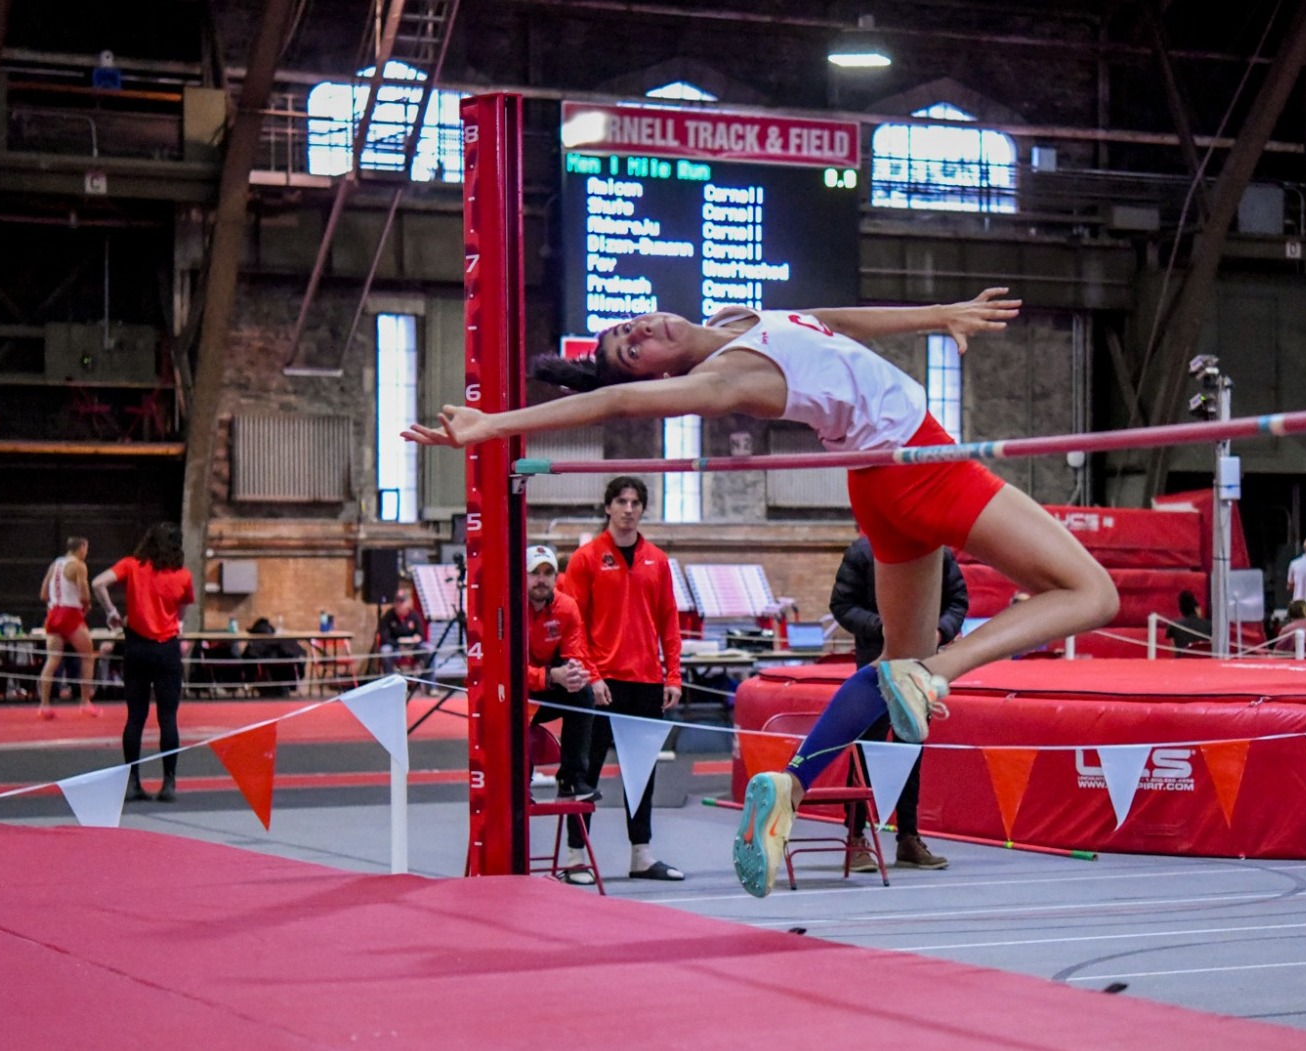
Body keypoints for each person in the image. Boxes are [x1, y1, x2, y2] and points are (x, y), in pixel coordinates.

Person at [403, 289, 1119, 899]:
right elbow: (615, 400)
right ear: (662, 372)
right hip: (922, 463)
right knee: (1093, 594)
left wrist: (939, 315)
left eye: (632, 325)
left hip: (878, 486)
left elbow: (834, 319)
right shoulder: (721, 379)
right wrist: (495, 426)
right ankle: (936, 673)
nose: (641, 333)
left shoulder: (738, 315)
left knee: (888, 667)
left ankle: (792, 787)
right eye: (632, 348)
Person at [556, 477, 687, 882]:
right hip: (601, 682)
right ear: (608, 508)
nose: (629, 509)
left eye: (635, 502)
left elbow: (669, 621)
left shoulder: (658, 561)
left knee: (642, 772)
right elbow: (572, 625)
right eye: (621, 501)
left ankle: (641, 854)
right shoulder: (586, 559)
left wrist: (673, 674)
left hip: (647, 682)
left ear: (642, 509)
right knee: (585, 771)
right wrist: (591, 676)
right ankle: (576, 856)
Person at [827, 533, 966, 871]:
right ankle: (855, 837)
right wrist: (883, 628)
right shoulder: (862, 552)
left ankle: (908, 837)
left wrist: (940, 631)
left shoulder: (938, 552)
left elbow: (957, 601)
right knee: (865, 751)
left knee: (910, 750)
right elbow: (842, 606)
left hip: (920, 670)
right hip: (874, 670)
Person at [91, 523, 195, 803]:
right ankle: (169, 782)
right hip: (167, 650)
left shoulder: (131, 565)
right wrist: (177, 623)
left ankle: (133, 782)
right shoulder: (182, 575)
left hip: (136, 647)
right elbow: (183, 609)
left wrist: (112, 612)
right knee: (168, 718)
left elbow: (98, 583)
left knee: (135, 717)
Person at [520, 545, 604, 815]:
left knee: (583, 693)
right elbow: (508, 669)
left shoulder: (566, 607)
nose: (541, 579)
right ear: (522, 576)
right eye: (535, 573)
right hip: (518, 690)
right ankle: (520, 783)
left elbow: (575, 653)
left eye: (548, 573)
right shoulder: (509, 609)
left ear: (556, 578)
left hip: (550, 685)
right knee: (510, 701)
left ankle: (571, 778)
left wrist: (573, 674)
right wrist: (547, 676)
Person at [37, 536, 98, 719]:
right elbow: (84, 592)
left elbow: (43, 594)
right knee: (87, 657)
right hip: (70, 613)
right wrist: (86, 607)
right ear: (82, 548)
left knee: (52, 660)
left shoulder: (55, 564)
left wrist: (55, 602)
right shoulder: (79, 565)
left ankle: (44, 705)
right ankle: (86, 702)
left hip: (54, 613)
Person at [242, 617, 305, 698]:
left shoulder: (256, 643)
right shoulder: (280, 641)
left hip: (272, 665)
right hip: (287, 664)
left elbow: (248, 658)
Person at [373, 587, 428, 674]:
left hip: (412, 649)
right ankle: (390, 681)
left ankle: (429, 685)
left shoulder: (414, 616)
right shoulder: (389, 616)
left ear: (408, 602)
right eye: (396, 601)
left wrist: (417, 639)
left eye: (401, 601)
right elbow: (384, 637)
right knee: (385, 650)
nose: (398, 604)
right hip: (395, 648)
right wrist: (397, 643)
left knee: (429, 649)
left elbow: (421, 635)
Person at [1165, 589, 1213, 655]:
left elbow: (1174, 651)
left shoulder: (1174, 626)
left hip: (1182, 664)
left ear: (1181, 609)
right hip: (1205, 663)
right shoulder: (1210, 625)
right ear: (1196, 609)